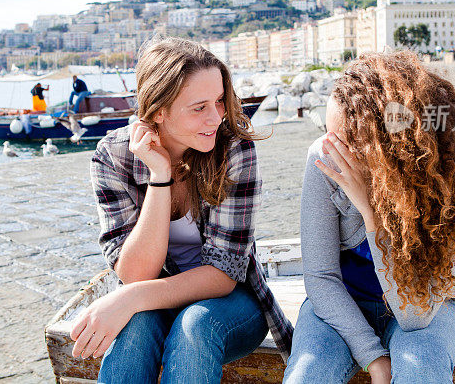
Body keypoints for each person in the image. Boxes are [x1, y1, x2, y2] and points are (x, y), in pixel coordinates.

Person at [283, 51, 455, 384]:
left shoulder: (435, 180)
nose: (332, 147)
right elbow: (320, 279)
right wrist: (373, 356)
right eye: (327, 133)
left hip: (427, 310)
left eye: (347, 140)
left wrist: (370, 211)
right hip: (340, 307)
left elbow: (414, 316)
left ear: (390, 143)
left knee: (419, 369)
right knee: (307, 375)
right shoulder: (324, 157)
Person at [71, 37, 292, 384]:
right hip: (153, 295)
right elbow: (136, 273)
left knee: (195, 325)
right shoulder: (112, 156)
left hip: (233, 303)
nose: (216, 117)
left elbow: (222, 275)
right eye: (199, 107)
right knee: (135, 331)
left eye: (220, 101)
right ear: (159, 110)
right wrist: (159, 178)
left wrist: (129, 298)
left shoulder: (235, 152)